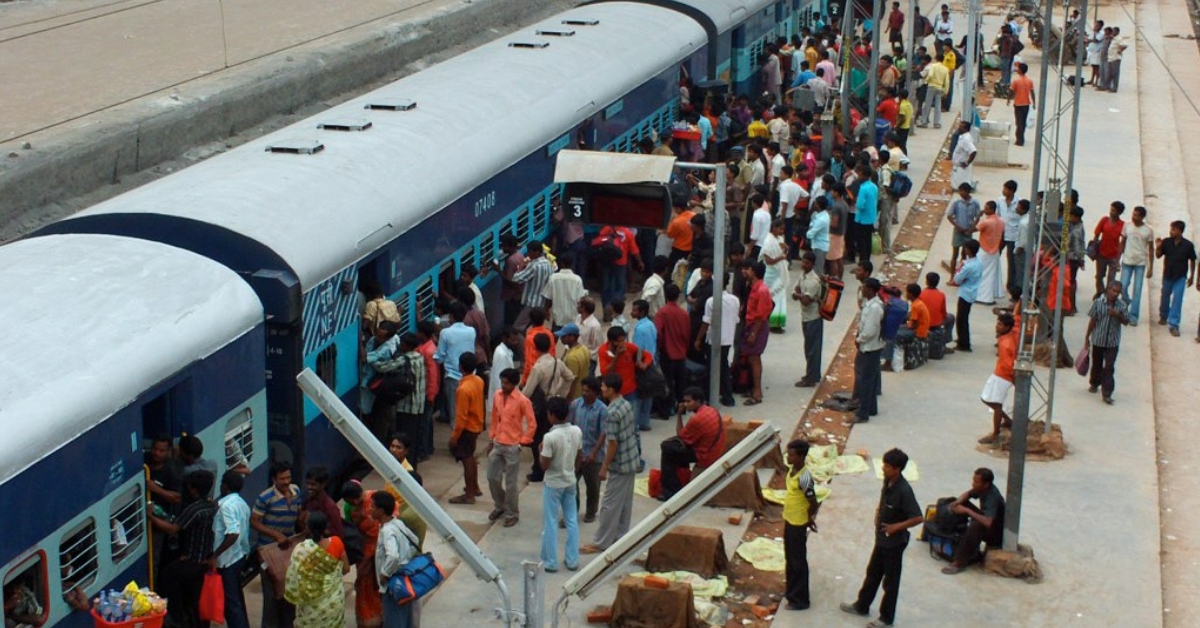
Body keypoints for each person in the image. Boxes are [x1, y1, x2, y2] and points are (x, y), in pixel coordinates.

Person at [840, 448, 923, 628]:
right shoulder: (888, 481)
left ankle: (886, 618)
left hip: (894, 543)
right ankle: (862, 605)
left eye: (887, 466)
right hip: (881, 540)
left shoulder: (904, 491)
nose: (883, 468)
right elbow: (884, 498)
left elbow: (918, 517)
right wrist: (878, 512)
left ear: (897, 469)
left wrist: (895, 527)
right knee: (872, 574)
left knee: (890, 582)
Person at [580, 374, 639, 554]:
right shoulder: (625, 404)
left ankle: (601, 542)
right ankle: (620, 538)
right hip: (631, 459)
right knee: (624, 503)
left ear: (611, 390)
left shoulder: (611, 412)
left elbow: (612, 442)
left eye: (604, 387)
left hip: (619, 463)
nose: (602, 390)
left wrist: (604, 466)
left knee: (609, 504)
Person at [150, 470, 216, 628]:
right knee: (195, 598)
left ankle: (177, 618)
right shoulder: (212, 505)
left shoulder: (194, 510)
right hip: (204, 559)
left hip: (191, 560)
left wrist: (151, 516)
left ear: (193, 489)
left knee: (167, 577)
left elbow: (173, 529)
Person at [252, 461, 302, 628]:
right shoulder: (265, 497)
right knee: (272, 595)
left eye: (288, 477)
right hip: (268, 551)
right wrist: (275, 535)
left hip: (288, 550)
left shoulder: (296, 492)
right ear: (274, 479)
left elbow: (298, 515)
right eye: (282, 479)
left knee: (290, 592)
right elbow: (254, 522)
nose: (286, 482)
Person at [523, 333, 576, 482]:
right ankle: (548, 465)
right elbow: (570, 377)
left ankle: (539, 469)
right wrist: (561, 392)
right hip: (553, 402)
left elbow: (527, 391)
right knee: (549, 435)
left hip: (540, 407)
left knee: (537, 438)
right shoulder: (557, 362)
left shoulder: (538, 368)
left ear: (535, 348)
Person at [539, 396, 583, 572]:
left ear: (551, 415)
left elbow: (545, 465)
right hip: (570, 480)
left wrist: (540, 451)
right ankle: (572, 560)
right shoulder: (576, 431)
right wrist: (573, 471)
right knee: (571, 520)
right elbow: (580, 456)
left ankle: (550, 561)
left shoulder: (550, 437)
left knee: (550, 522)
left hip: (554, 482)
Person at [488, 368, 536, 526]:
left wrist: (522, 441)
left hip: (513, 445)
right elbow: (495, 417)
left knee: (511, 483)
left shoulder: (523, 400)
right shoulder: (497, 395)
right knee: (492, 477)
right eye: (502, 382)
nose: (503, 385)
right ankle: (500, 505)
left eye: (506, 383)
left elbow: (531, 424)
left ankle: (512, 513)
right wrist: (492, 437)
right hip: (498, 442)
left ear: (514, 384)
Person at [659, 387, 726, 501]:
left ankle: (671, 492)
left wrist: (679, 415)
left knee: (667, 450)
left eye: (689, 401)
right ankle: (681, 478)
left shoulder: (697, 419)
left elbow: (681, 435)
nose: (685, 404)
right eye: (684, 401)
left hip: (706, 456)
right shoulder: (711, 410)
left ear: (698, 401)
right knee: (676, 449)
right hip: (714, 448)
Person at [284, 512, 349, 628]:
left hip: (311, 605)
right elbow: (346, 569)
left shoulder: (301, 549)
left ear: (307, 528)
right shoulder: (336, 542)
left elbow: (295, 575)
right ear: (326, 527)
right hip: (334, 601)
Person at [940, 468, 1006, 575]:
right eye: (973, 481)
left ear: (986, 484)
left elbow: (988, 522)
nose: (973, 484)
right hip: (988, 520)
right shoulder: (981, 489)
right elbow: (968, 494)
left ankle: (959, 562)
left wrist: (967, 511)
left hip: (996, 533)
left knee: (976, 526)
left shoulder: (992, 497)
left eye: (976, 482)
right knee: (957, 502)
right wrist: (957, 502)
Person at [211, 470, 252, 628]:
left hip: (227, 561)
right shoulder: (242, 503)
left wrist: (215, 555)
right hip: (239, 556)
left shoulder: (225, 506)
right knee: (237, 599)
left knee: (231, 604)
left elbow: (233, 533)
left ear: (225, 486)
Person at [372, 492, 419, 628]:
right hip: (403, 578)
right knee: (405, 618)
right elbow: (415, 541)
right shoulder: (398, 523)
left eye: (372, 507)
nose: (370, 509)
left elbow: (393, 556)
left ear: (380, 511)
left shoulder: (387, 531)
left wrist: (385, 573)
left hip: (392, 585)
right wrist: (405, 559)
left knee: (394, 619)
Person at [782, 439, 819, 611]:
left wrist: (809, 518)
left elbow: (813, 501)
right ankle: (791, 591)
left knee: (798, 562)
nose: (788, 456)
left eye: (791, 454)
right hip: (789, 519)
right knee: (790, 558)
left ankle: (800, 600)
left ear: (801, 457)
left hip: (798, 523)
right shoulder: (792, 470)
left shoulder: (805, 477)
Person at [341, 482, 382, 628]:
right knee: (364, 585)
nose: (353, 503)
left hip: (380, 549)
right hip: (364, 550)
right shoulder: (350, 508)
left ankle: (380, 617)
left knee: (379, 583)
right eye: (349, 502)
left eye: (355, 499)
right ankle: (367, 619)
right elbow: (351, 528)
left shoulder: (375, 499)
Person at [569, 377, 608, 523]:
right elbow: (570, 425)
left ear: (596, 393)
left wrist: (594, 453)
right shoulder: (575, 405)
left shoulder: (602, 410)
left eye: (588, 391)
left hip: (593, 456)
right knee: (571, 484)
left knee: (593, 486)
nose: (584, 393)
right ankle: (572, 512)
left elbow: (603, 433)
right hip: (576, 453)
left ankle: (591, 512)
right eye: (583, 390)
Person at [448, 353, 485, 503]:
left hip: (467, 429)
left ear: (460, 366)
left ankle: (469, 494)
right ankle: (474, 487)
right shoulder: (478, 381)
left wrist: (454, 437)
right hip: (476, 425)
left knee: (467, 459)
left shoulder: (463, 389)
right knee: (470, 457)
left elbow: (461, 417)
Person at [434, 302, 476, 432]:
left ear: (451, 316)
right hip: (470, 376)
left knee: (455, 411)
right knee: (467, 410)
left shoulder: (445, 333)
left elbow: (439, 357)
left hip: (452, 376)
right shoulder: (471, 331)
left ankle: (456, 439)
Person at [697, 282, 740, 407]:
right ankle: (726, 396)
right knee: (724, 366)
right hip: (727, 338)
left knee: (713, 368)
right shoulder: (735, 300)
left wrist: (698, 339)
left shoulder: (711, 301)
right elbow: (736, 320)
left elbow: (706, 322)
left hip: (713, 339)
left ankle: (712, 397)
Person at [1086, 281, 1130, 404]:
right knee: (1097, 363)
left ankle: (1107, 393)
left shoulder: (1122, 306)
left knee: (1109, 367)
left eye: (1118, 292)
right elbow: (1092, 321)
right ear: (1108, 290)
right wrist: (1087, 338)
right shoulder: (1098, 303)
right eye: (1113, 290)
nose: (1115, 294)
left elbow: (1127, 321)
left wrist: (1117, 315)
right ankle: (1094, 383)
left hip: (1113, 342)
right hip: (1098, 340)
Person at [979, 313, 1019, 445]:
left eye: (1000, 325)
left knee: (995, 403)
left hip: (1002, 375)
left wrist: (1012, 379)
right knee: (990, 400)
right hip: (1000, 373)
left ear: (1007, 327)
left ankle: (995, 433)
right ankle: (1007, 420)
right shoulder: (1009, 336)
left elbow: (1009, 365)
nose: (997, 327)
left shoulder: (1005, 343)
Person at [1156, 220, 1196, 337]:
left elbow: (1192, 260)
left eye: (1173, 229)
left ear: (1180, 231)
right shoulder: (1166, 242)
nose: (1171, 231)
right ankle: (1164, 315)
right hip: (1167, 275)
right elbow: (1158, 256)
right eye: (1171, 229)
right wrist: (1158, 247)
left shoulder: (1188, 245)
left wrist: (1192, 276)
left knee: (1177, 300)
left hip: (1180, 277)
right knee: (1165, 296)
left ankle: (1174, 324)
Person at [740, 261, 772, 405]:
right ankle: (754, 389)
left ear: (753, 271)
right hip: (751, 325)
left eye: (747, 268)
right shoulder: (753, 288)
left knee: (754, 359)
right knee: (752, 359)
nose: (744, 271)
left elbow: (761, 316)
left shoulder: (762, 290)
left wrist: (754, 333)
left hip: (756, 327)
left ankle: (757, 393)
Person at [854, 278, 885, 424]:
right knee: (869, 379)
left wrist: (859, 339)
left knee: (865, 381)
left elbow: (870, 330)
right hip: (869, 346)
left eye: (865, 288)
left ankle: (863, 413)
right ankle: (871, 408)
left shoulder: (874, 308)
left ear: (871, 290)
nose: (863, 289)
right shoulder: (870, 304)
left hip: (870, 347)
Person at [655, 283, 692, 404]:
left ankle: (668, 408)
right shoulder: (684, 314)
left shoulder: (662, 313)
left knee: (667, 382)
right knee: (681, 382)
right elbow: (687, 334)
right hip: (681, 352)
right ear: (677, 297)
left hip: (667, 353)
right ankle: (682, 405)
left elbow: (658, 333)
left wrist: (660, 347)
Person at [793, 251, 824, 387]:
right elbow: (796, 293)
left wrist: (798, 294)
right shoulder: (803, 276)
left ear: (812, 264)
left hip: (813, 318)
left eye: (807, 262)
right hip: (806, 317)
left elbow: (805, 300)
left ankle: (811, 378)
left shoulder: (813, 281)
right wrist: (800, 294)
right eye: (803, 261)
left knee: (813, 349)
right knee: (809, 347)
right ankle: (811, 374)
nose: (804, 264)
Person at [1119, 206, 1154, 325]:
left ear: (1142, 217)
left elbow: (1151, 249)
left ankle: (1133, 316)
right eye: (1133, 214)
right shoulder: (1127, 225)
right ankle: (1126, 303)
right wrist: (1118, 259)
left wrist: (1151, 268)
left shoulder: (1148, 230)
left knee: (1137, 290)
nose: (1133, 217)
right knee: (1122, 286)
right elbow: (1122, 242)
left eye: (1136, 215)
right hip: (1127, 261)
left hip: (1140, 263)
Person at [629, 299, 658, 431]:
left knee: (639, 394)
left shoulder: (639, 328)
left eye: (635, 310)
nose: (632, 312)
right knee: (649, 392)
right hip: (651, 362)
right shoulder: (651, 325)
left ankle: (637, 421)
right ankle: (645, 420)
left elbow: (638, 349)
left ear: (642, 311)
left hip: (642, 364)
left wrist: (637, 364)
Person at [759, 219, 791, 331]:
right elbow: (768, 261)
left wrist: (785, 248)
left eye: (783, 229)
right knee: (771, 297)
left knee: (780, 297)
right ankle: (768, 321)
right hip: (771, 273)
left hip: (779, 272)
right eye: (780, 229)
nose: (782, 231)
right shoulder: (768, 241)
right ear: (774, 228)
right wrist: (781, 258)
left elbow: (784, 251)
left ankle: (777, 323)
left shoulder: (779, 239)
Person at [542, 252, 586, 329]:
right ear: (572, 264)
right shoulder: (577, 279)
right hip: (573, 316)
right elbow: (581, 299)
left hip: (558, 317)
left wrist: (546, 310)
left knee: (554, 337)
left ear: (561, 263)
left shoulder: (553, 278)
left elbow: (548, 298)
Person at [953, 240, 983, 352]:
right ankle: (962, 339)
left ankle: (964, 343)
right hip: (972, 291)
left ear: (968, 250)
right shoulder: (978, 262)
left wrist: (958, 268)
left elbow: (957, 279)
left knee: (961, 319)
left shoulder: (967, 267)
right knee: (963, 317)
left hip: (965, 293)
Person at [945, 182, 980, 277]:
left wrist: (972, 228)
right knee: (954, 254)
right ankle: (952, 276)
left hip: (968, 232)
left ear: (967, 192)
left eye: (962, 191)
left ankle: (960, 275)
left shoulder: (975, 203)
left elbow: (977, 217)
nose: (960, 193)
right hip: (958, 231)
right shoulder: (957, 203)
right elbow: (949, 216)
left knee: (965, 255)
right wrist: (957, 226)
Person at [1093, 201, 1126, 299]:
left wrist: (1118, 258)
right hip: (1101, 253)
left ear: (1119, 213)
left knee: (1111, 278)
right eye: (1111, 209)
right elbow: (1097, 234)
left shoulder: (1122, 225)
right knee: (1099, 276)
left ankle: (1107, 296)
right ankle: (1100, 291)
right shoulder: (1104, 220)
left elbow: (1122, 242)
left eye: (1114, 210)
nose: (1111, 212)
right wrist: (1094, 249)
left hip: (1113, 255)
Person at [974, 201, 1004, 305]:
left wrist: (978, 216)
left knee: (981, 273)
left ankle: (982, 297)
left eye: (986, 208)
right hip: (995, 250)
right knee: (991, 274)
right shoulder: (1001, 221)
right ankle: (989, 297)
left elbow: (972, 229)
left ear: (991, 209)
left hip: (984, 249)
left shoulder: (986, 222)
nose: (984, 210)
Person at [557, 323, 591, 400]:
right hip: (583, 389)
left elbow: (572, 380)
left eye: (563, 336)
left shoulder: (572, 357)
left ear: (572, 337)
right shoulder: (584, 348)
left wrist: (569, 398)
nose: (560, 338)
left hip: (575, 394)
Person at [920, 272, 954, 345]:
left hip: (922, 322)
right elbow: (944, 312)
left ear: (927, 282)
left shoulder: (921, 294)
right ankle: (945, 342)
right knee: (951, 317)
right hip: (936, 323)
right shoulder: (941, 295)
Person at [1008, 63, 1035, 146]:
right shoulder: (1029, 81)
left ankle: (1020, 140)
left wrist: (1008, 99)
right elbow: (1032, 92)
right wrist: (1034, 103)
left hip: (1018, 104)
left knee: (1019, 122)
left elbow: (1011, 91)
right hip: (1026, 104)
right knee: (1022, 122)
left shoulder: (1016, 81)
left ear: (1020, 70)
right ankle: (1021, 137)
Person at [807, 196, 831, 274]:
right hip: (816, 245)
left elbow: (809, 234)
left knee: (818, 270)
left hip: (820, 247)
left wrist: (809, 230)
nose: (814, 205)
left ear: (819, 205)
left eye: (815, 203)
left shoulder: (822, 219)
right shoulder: (816, 214)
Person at [950, 120, 976, 191]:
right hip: (958, 166)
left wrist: (967, 162)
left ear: (965, 129)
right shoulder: (962, 137)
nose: (959, 128)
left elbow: (973, 151)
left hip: (962, 166)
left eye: (961, 127)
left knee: (961, 186)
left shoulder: (966, 139)